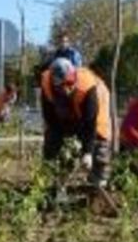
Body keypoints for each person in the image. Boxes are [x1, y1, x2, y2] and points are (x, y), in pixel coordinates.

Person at [40, 58, 112, 188]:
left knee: (99, 139)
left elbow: (90, 123)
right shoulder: (47, 84)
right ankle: (53, 179)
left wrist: (87, 152)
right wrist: (58, 142)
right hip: (67, 113)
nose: (67, 89)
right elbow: (50, 118)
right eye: (63, 86)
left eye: (70, 84)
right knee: (52, 137)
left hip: (96, 107)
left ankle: (99, 179)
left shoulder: (87, 87)